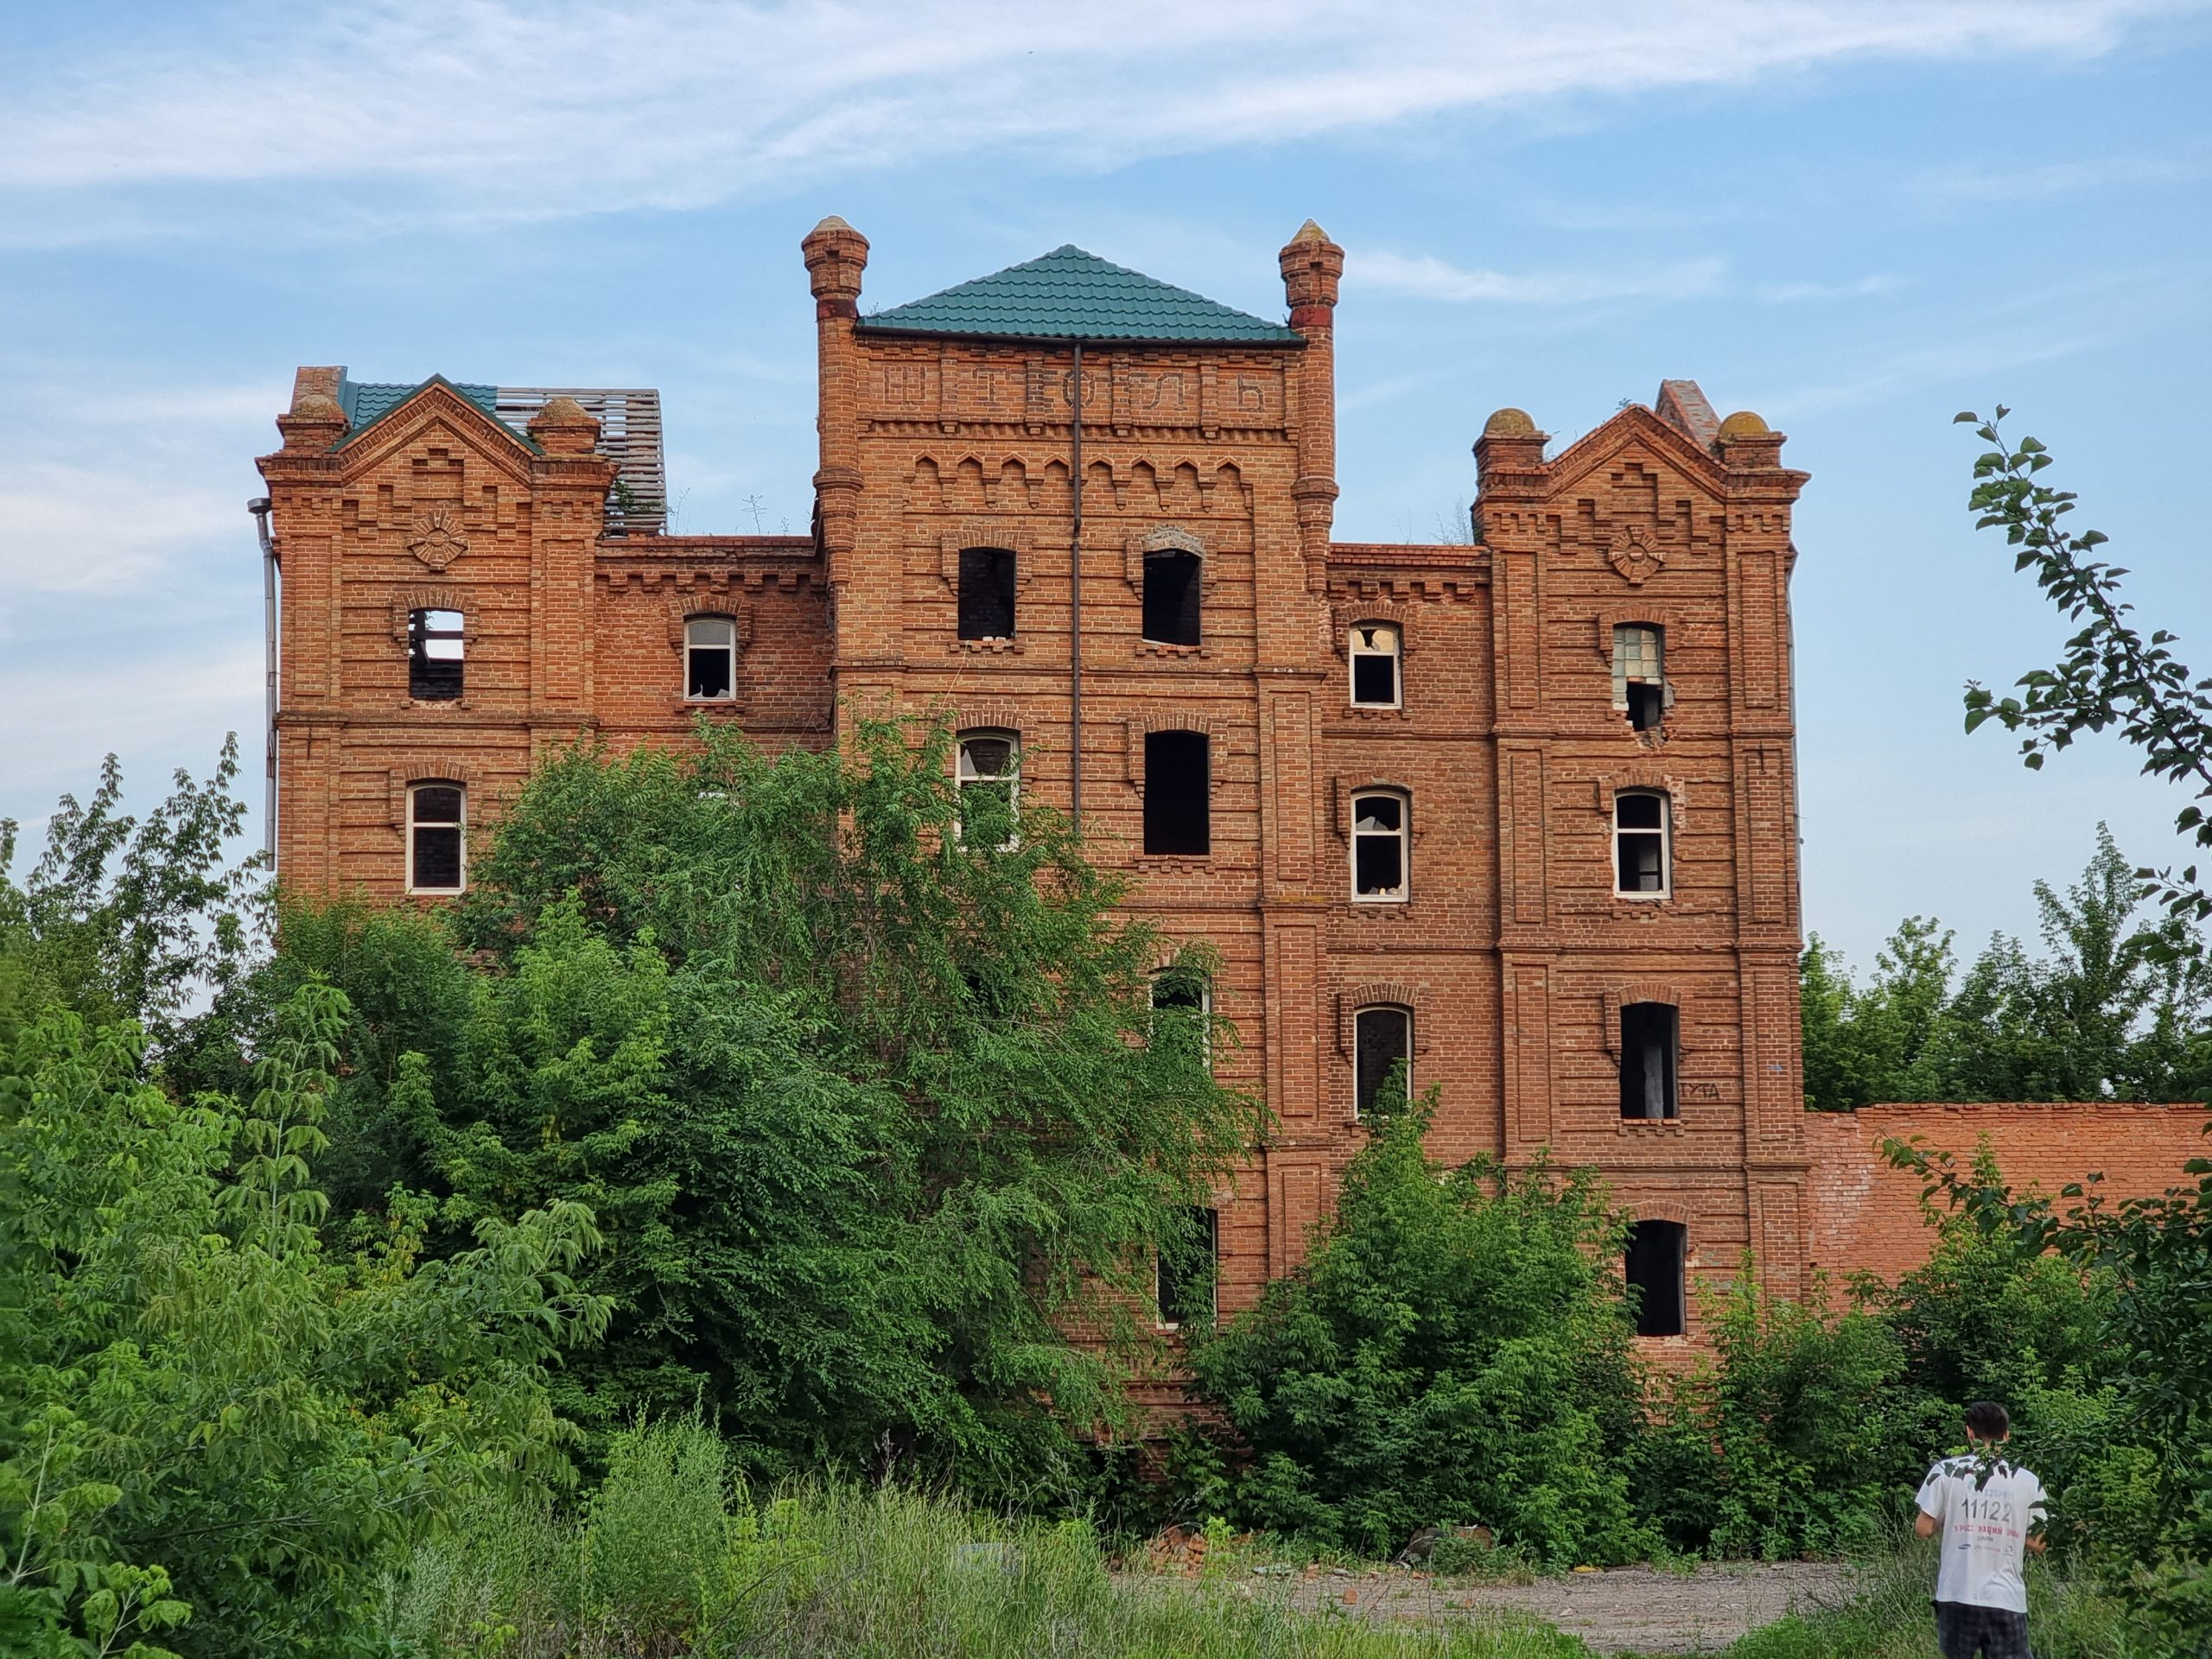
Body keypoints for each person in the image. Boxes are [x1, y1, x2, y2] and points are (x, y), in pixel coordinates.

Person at [1914, 1401, 2049, 1659]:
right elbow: (2040, 1544)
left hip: (1956, 1594)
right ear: (2006, 1435)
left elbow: (1923, 1529)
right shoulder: (2027, 1480)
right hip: (2006, 1598)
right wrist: (2006, 1529)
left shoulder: (1945, 1472)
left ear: (1969, 1433)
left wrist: (1955, 1519)